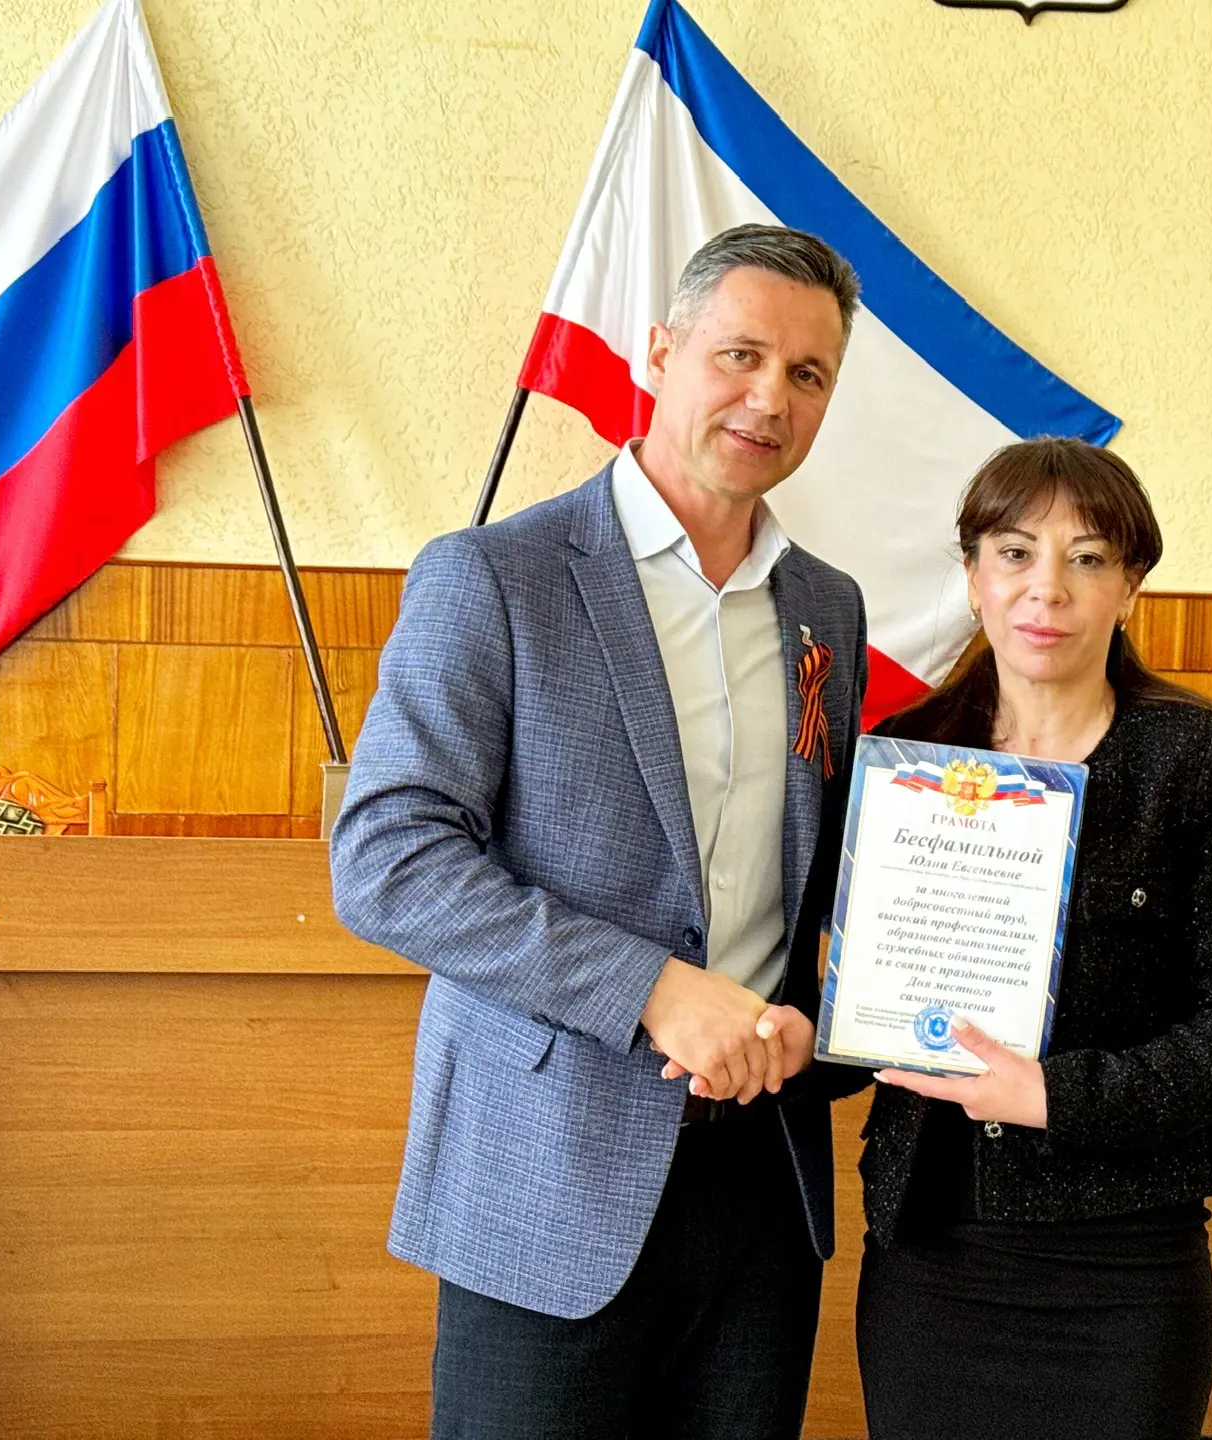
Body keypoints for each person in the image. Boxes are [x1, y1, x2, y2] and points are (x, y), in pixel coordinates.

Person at [330, 224, 868, 1440]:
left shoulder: (824, 607)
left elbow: (816, 882)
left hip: (760, 1190)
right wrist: (651, 990)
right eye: (739, 355)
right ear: (661, 353)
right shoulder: (494, 576)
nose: (769, 399)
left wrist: (837, 1019)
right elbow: (386, 858)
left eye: (807, 374)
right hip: (546, 1178)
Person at [847, 437, 1212, 1440]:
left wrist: (1058, 1096)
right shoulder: (907, 755)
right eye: (1014, 553)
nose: (1046, 588)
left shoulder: (1193, 756)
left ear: (1130, 586)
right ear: (974, 576)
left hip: (1124, 1268)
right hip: (933, 1262)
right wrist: (833, 1007)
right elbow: (843, 1015)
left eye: (1087, 558)